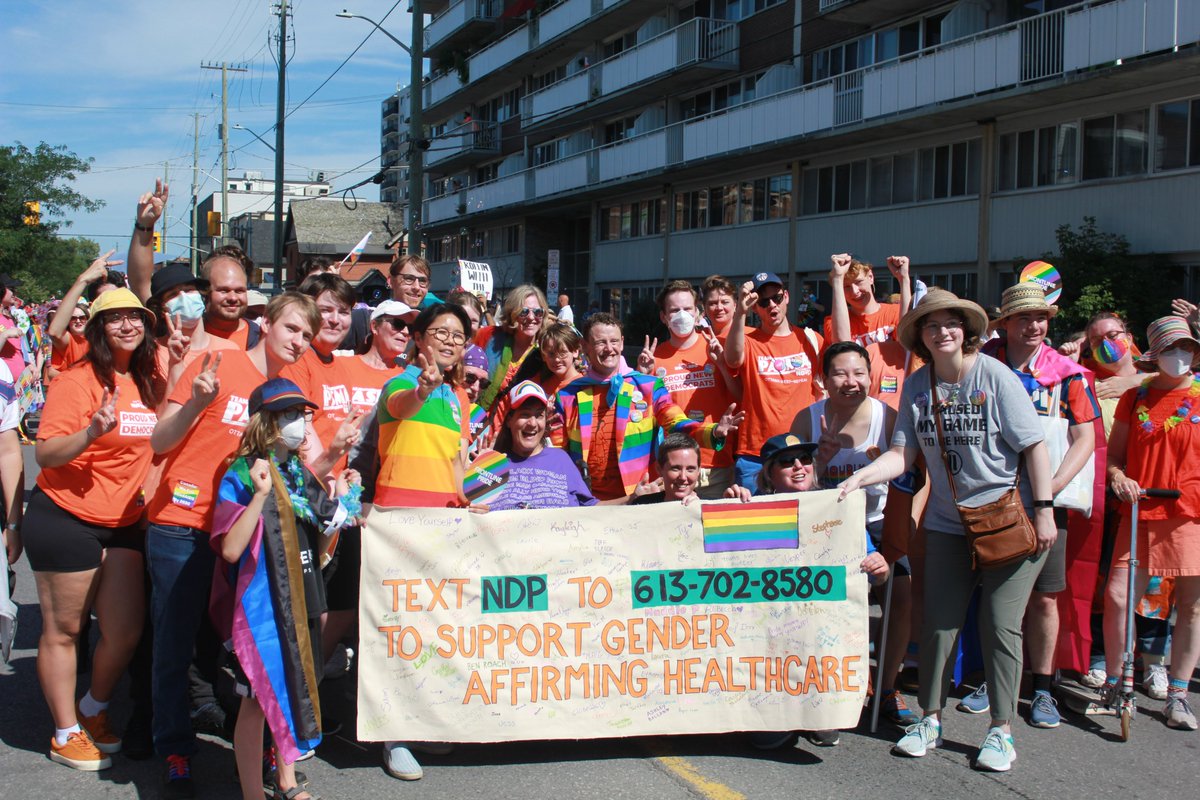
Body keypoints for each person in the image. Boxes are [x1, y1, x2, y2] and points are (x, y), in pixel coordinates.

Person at [837, 289, 1056, 773]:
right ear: (921, 335)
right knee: (938, 625)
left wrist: (1044, 510)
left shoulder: (995, 375)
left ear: (967, 330)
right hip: (945, 525)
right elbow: (902, 456)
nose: (943, 332)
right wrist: (860, 476)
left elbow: (1035, 446)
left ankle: (1000, 731)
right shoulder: (917, 386)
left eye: (951, 323)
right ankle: (930, 719)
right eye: (932, 326)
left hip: (1005, 521)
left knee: (999, 628)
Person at [146, 293, 319, 798]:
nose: (298, 341)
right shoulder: (216, 362)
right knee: (174, 644)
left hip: (245, 534)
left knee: (251, 651)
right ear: (264, 324)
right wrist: (199, 400)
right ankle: (176, 749)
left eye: (307, 335)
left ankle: (265, 754)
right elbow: (159, 442)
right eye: (291, 328)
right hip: (183, 523)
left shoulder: (283, 390)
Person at [25, 289, 163, 771]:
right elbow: (45, 454)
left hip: (124, 520)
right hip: (64, 516)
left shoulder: (150, 379)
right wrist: (90, 433)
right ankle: (65, 732)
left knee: (125, 630)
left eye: (135, 317)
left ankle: (92, 710)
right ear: (99, 328)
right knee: (64, 629)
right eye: (114, 319)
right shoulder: (78, 379)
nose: (127, 325)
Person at [211, 378, 361, 800]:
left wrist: (345, 489)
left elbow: (329, 525)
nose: (299, 423)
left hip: (303, 595)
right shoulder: (242, 473)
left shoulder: (297, 472)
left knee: (294, 688)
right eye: (289, 415)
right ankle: (251, 793)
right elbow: (230, 548)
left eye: (302, 414)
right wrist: (259, 496)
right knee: (258, 701)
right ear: (267, 422)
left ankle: (287, 780)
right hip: (264, 607)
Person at [976, 282, 1099, 729]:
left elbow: (1085, 438)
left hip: (1045, 505)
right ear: (1005, 322)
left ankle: (1043, 687)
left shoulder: (1067, 373)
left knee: (1045, 598)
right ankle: (992, 680)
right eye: (1024, 318)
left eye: (1041, 318)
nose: (1034, 326)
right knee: (991, 594)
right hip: (987, 500)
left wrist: (1048, 489)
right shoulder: (982, 363)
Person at [724, 432, 889, 748]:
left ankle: (819, 713)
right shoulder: (750, 507)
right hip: (766, 629)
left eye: (805, 460)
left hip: (820, 628)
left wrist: (879, 568)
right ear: (769, 473)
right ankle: (771, 714)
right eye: (787, 462)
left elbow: (873, 576)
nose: (798, 467)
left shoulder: (838, 508)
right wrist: (727, 504)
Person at [373, 301, 475, 779]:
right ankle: (394, 735)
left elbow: (458, 463)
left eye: (458, 335)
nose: (451, 341)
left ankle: (423, 722)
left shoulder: (459, 399)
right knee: (400, 628)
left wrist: (472, 497)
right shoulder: (400, 382)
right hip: (401, 522)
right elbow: (400, 406)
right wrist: (422, 387)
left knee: (434, 627)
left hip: (446, 523)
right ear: (419, 338)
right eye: (441, 332)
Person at [792, 341, 913, 726]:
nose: (851, 381)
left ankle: (888, 686)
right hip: (827, 529)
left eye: (859, 372)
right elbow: (785, 486)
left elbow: (911, 478)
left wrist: (892, 547)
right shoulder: (806, 421)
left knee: (901, 595)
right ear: (823, 380)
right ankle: (826, 683)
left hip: (878, 522)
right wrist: (818, 465)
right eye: (840, 374)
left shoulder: (888, 418)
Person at [1103, 315, 1200, 731]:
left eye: (1188, 348)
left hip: (1189, 513)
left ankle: (1177, 695)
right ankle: (1115, 681)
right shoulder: (1135, 397)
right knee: (1118, 597)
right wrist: (1119, 477)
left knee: (1191, 607)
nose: (1181, 356)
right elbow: (1113, 458)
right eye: (1172, 349)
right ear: (1155, 355)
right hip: (1140, 509)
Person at [553, 312, 742, 502]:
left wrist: (714, 431)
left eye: (614, 341)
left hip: (642, 496)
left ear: (622, 343)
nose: (609, 349)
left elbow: (676, 423)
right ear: (585, 346)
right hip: (587, 502)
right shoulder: (568, 396)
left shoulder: (648, 387)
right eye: (600, 342)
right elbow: (557, 454)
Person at [724, 271, 824, 489]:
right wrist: (740, 311)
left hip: (801, 453)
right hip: (756, 453)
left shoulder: (810, 339)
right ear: (755, 307)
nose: (772, 306)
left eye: (777, 298)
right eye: (763, 301)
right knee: (755, 522)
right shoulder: (748, 341)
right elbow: (731, 359)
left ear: (786, 296)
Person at [647, 280, 739, 498]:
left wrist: (722, 366)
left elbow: (740, 396)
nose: (681, 315)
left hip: (715, 464)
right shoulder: (654, 358)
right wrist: (642, 375)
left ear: (697, 313)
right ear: (663, 317)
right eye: (674, 310)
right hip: (672, 470)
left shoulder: (717, 348)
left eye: (687, 309)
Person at [490, 381, 596, 510]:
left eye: (539, 415)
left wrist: (627, 500)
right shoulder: (493, 465)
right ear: (509, 421)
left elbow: (592, 508)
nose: (533, 423)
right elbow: (473, 509)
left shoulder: (561, 459)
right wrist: (479, 468)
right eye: (525, 414)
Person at [826, 254, 911, 409]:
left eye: (858, 282)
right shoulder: (833, 322)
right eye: (846, 286)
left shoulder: (895, 312)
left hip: (897, 404)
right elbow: (843, 346)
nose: (854, 291)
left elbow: (908, 340)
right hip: (857, 406)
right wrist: (838, 279)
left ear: (870, 277)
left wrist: (903, 279)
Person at [473, 284, 552, 414]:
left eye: (538, 312)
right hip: (479, 422)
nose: (531, 318)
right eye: (524, 311)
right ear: (512, 313)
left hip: (517, 429)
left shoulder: (545, 354)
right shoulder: (489, 336)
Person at [45, 252, 120, 382]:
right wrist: (83, 280)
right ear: (92, 305)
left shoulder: (133, 337)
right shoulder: (81, 341)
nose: (112, 305)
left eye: (118, 298)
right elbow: (55, 332)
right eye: (105, 299)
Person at [629, 433, 703, 506]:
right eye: (675, 469)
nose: (683, 477)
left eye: (690, 469)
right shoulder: (642, 505)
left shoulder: (706, 510)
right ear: (659, 469)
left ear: (698, 471)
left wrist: (699, 509)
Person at [0, 274, 28, 383]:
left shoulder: (9, 318)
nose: (15, 293)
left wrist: (28, 365)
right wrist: (4, 335)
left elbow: (17, 352)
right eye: (11, 289)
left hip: (17, 387)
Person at [701, 275, 739, 339]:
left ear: (735, 305)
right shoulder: (698, 337)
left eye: (725, 302)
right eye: (712, 303)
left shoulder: (750, 336)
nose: (719, 308)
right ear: (704, 306)